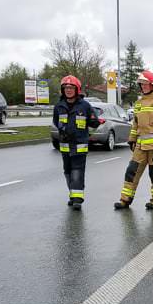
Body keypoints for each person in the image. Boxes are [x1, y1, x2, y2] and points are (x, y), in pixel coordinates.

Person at [114, 70, 153, 210]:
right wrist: (132, 139)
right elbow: (135, 123)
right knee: (131, 171)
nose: (144, 86)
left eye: (146, 84)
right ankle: (125, 199)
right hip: (140, 146)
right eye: (142, 84)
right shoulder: (139, 104)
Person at [53, 75, 100, 210]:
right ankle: (72, 195)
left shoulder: (84, 106)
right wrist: (63, 131)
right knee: (67, 171)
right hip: (65, 145)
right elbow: (56, 122)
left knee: (77, 171)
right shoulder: (59, 106)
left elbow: (93, 121)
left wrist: (92, 124)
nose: (68, 90)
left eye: (71, 88)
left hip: (80, 145)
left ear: (77, 89)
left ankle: (78, 199)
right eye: (66, 88)